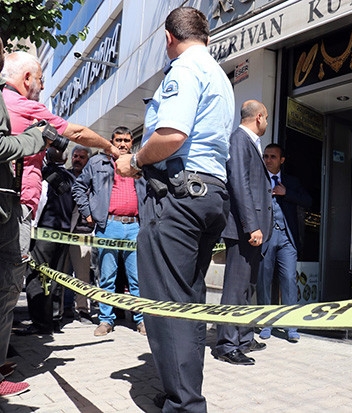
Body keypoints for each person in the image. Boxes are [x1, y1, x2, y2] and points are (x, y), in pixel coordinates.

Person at [115, 7, 235, 412]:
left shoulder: (184, 69)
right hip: (207, 193)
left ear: (169, 38)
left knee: (166, 304)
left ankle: (184, 404)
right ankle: (182, 393)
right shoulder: (217, 73)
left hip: (179, 196)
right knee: (187, 301)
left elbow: (171, 135)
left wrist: (135, 161)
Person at [1, 51, 119, 264]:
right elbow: (77, 133)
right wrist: (109, 147)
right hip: (16, 205)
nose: (42, 87)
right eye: (40, 79)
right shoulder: (28, 107)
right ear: (27, 78)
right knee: (11, 271)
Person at [0, 37, 50, 396]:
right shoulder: (21, 105)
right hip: (11, 209)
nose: (2, 56)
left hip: (15, 207)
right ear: (28, 77)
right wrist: (36, 138)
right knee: (7, 287)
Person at [213, 99, 272, 366]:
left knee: (248, 288)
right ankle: (227, 344)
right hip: (243, 230)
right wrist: (252, 225)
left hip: (252, 230)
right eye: (266, 117)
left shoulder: (250, 142)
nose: (267, 122)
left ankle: (245, 337)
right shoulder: (239, 139)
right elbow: (239, 183)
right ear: (259, 117)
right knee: (235, 289)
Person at [72, 127, 146, 337]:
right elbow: (78, 187)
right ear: (111, 142)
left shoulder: (139, 163)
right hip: (108, 226)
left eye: (126, 140)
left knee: (136, 278)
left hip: (135, 227)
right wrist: (88, 213)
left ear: (131, 143)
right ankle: (106, 320)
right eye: (118, 140)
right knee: (107, 277)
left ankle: (141, 320)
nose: (122, 144)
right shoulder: (97, 162)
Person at [18, 147, 76, 335]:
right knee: (57, 276)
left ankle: (40, 323)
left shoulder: (45, 174)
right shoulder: (71, 178)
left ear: (46, 157)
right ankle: (55, 320)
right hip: (64, 233)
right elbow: (76, 207)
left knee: (37, 276)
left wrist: (32, 227)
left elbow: (40, 201)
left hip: (44, 232)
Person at [257, 143, 311, 342]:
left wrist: (286, 192)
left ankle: (291, 326)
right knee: (264, 280)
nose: (268, 160)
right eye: (266, 156)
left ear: (282, 160)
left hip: (287, 238)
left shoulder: (291, 181)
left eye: (273, 157)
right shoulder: (258, 179)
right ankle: (266, 323)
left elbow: (308, 201)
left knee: (289, 279)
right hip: (267, 236)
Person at [63, 145, 94, 322]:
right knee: (63, 273)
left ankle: (83, 309)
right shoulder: (65, 176)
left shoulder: (92, 179)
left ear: (88, 160)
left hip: (84, 233)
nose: (77, 160)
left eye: (82, 157)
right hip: (64, 233)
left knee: (82, 276)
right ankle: (65, 307)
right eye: (75, 156)